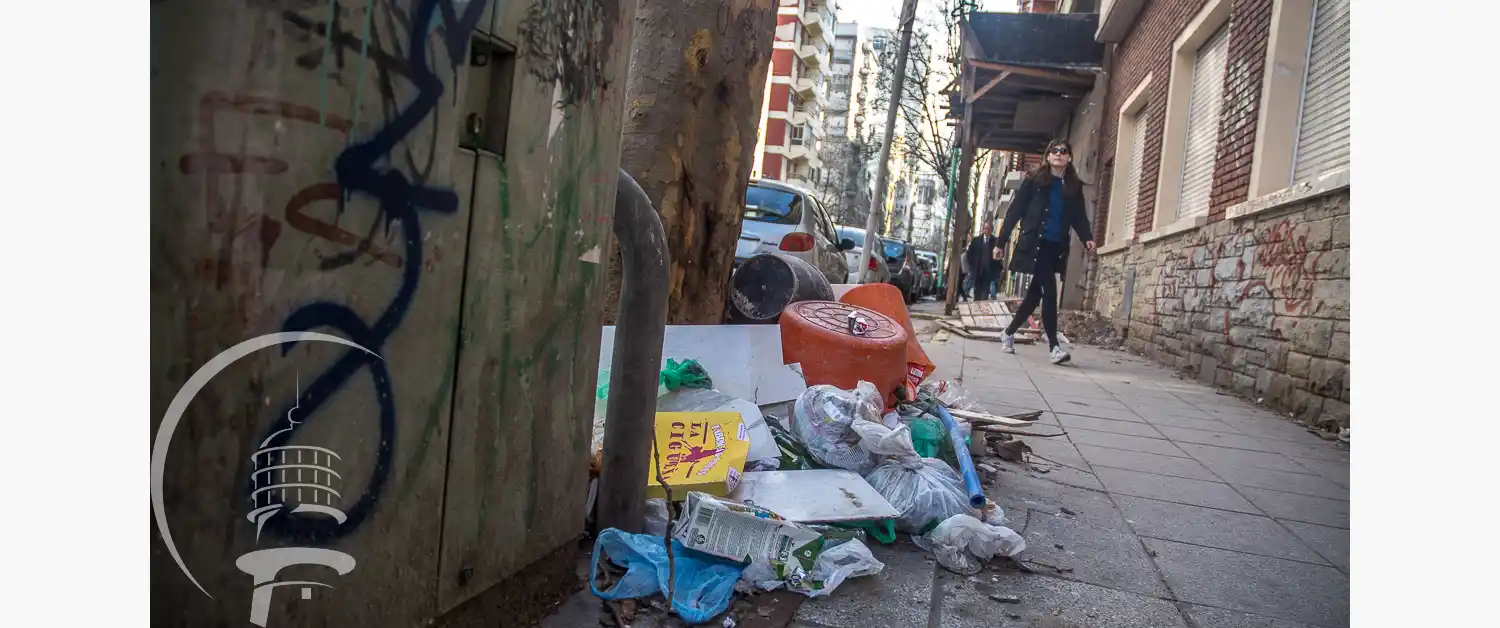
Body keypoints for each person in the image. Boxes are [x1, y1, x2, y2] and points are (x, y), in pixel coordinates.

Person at [997, 139, 1096, 364]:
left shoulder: (1073, 187)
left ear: (1069, 157)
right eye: (1054, 150)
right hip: (1035, 245)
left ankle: (1009, 332)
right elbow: (1015, 211)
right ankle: (1054, 346)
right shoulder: (1034, 181)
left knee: (1035, 295)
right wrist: (1000, 242)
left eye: (1063, 151)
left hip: (1056, 248)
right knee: (1049, 291)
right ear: (1048, 156)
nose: (1059, 154)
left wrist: (1087, 238)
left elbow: (1079, 216)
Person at [965, 222, 999, 301]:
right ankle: (976, 304)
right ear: (983, 229)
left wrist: (997, 270)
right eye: (985, 228)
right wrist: (972, 266)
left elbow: (998, 258)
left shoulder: (995, 241)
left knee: (985, 291)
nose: (986, 230)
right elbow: (969, 254)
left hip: (989, 271)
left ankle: (982, 305)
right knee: (977, 290)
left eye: (988, 229)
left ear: (991, 230)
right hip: (978, 270)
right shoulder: (976, 241)